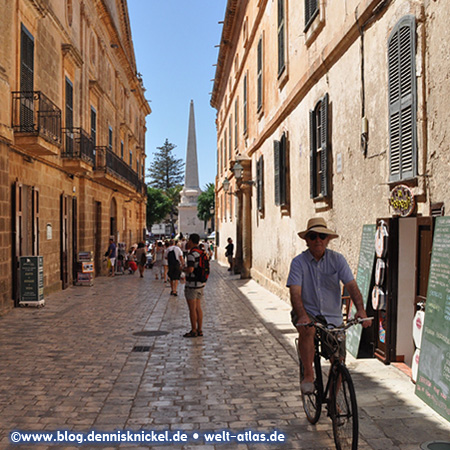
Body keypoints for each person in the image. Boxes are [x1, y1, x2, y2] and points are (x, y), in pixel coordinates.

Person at [286, 217, 372, 395]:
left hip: (333, 316)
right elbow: (295, 292)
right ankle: (309, 374)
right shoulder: (298, 263)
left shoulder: (337, 260)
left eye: (322, 236)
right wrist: (302, 315)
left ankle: (333, 400)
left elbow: (352, 287)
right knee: (307, 330)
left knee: (339, 360)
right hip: (307, 311)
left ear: (328, 239)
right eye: (313, 236)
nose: (318, 239)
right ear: (307, 240)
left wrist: (361, 310)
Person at [183, 233, 206, 338]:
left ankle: (193, 330)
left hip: (192, 285)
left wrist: (182, 269)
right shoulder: (201, 253)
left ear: (191, 241)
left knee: (192, 309)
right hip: (200, 284)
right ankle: (200, 329)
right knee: (198, 308)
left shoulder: (192, 255)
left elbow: (191, 269)